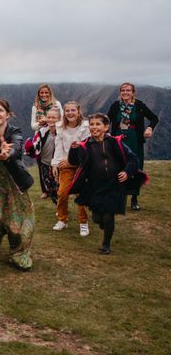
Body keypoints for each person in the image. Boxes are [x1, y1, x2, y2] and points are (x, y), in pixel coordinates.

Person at [67, 113, 147, 254]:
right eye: (91, 124)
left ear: (106, 127)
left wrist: (127, 172)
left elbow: (133, 159)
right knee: (97, 218)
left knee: (109, 214)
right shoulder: (86, 145)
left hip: (114, 184)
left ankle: (106, 245)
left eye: (98, 124)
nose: (94, 127)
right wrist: (73, 150)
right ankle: (102, 222)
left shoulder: (115, 142)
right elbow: (74, 161)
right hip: (94, 185)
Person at [0, 99, 35, 270]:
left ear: (7, 114)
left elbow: (16, 147)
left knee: (17, 226)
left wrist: (7, 154)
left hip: (15, 184)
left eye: (0, 110)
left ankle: (17, 254)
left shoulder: (14, 131)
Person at [107, 82, 159, 210]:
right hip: (118, 139)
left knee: (135, 166)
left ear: (133, 92)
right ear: (120, 92)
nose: (125, 92)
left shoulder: (139, 105)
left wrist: (149, 128)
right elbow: (106, 120)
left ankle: (134, 199)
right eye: (123, 90)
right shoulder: (115, 106)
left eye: (128, 90)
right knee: (118, 166)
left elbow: (154, 118)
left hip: (134, 139)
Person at [51, 101, 90, 236]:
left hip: (81, 164)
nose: (70, 113)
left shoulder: (85, 127)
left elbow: (86, 149)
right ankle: (62, 219)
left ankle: (83, 222)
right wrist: (55, 164)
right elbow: (58, 147)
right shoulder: (60, 128)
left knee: (81, 194)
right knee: (62, 193)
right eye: (67, 111)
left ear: (78, 112)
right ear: (64, 112)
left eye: (73, 110)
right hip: (64, 164)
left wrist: (70, 162)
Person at [34, 108, 61, 202]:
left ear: (59, 119)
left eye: (54, 117)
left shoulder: (62, 132)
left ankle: (61, 207)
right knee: (49, 186)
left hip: (58, 164)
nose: (51, 119)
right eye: (49, 117)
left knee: (59, 186)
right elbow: (36, 146)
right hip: (44, 163)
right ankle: (57, 204)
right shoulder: (42, 131)